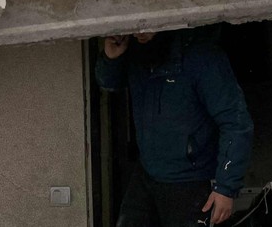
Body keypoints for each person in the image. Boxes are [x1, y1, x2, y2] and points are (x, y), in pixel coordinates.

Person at [97, 29, 254, 227]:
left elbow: (236, 122)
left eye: (147, 26)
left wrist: (225, 188)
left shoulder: (202, 58)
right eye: (136, 26)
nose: (139, 32)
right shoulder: (140, 53)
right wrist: (111, 58)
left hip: (191, 180)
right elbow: (109, 84)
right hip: (147, 173)